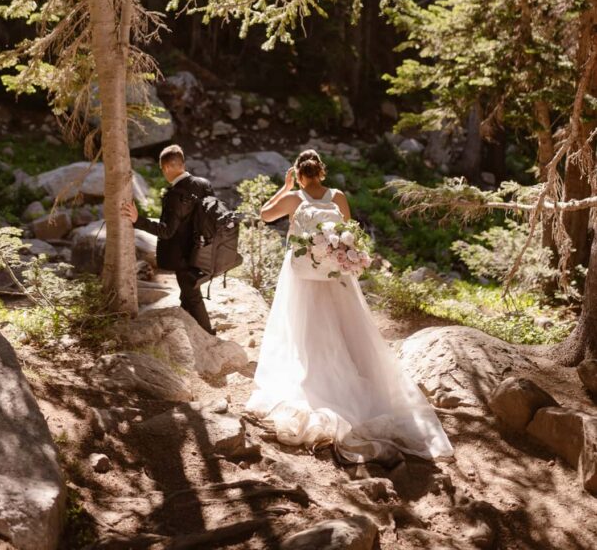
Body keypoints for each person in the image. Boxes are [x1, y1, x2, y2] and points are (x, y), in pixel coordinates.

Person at [246, 148, 454, 464]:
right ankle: (350, 377)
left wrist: (286, 188)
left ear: (299, 174)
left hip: (302, 278)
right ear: (322, 173)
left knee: (303, 329)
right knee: (344, 328)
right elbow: (348, 235)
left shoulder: (294, 198)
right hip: (334, 276)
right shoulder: (338, 196)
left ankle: (314, 381)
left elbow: (263, 214)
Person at [121, 144, 215, 334]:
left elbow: (166, 231)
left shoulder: (175, 195)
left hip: (184, 257)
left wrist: (138, 220)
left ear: (167, 167)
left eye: (162, 170)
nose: (163, 173)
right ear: (182, 163)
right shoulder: (204, 184)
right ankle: (189, 329)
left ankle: (208, 334)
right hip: (203, 250)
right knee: (188, 294)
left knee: (192, 296)